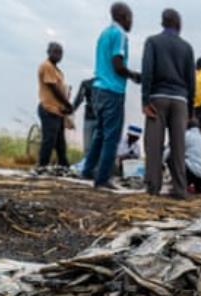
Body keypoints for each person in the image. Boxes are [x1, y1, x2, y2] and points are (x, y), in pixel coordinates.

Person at [83, 2, 141, 190]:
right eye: (131, 17)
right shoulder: (119, 35)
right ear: (124, 16)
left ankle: (88, 169)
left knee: (100, 134)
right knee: (111, 137)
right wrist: (134, 76)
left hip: (98, 89)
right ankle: (102, 179)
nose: (132, 22)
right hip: (112, 90)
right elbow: (117, 64)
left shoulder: (104, 34)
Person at [141, 8, 195, 199]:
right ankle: (180, 189)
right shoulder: (187, 47)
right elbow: (191, 80)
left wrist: (145, 100)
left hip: (158, 98)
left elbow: (147, 71)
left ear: (162, 23)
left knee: (154, 145)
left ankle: (153, 187)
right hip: (181, 100)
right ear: (178, 25)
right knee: (179, 146)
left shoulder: (153, 42)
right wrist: (191, 110)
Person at [37, 42, 73, 169]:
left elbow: (60, 89)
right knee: (49, 140)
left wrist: (64, 106)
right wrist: (67, 103)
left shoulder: (56, 70)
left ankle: (64, 166)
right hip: (48, 109)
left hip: (57, 110)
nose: (58, 55)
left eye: (60, 53)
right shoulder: (47, 66)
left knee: (60, 142)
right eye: (55, 52)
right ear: (48, 52)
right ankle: (42, 166)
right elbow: (53, 88)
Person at [72, 78, 97, 155]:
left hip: (98, 120)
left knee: (91, 148)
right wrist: (70, 111)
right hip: (91, 118)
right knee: (89, 148)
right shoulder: (86, 84)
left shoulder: (87, 83)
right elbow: (78, 99)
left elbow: (78, 100)